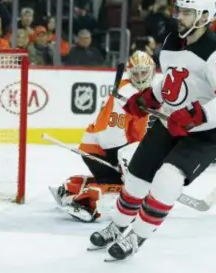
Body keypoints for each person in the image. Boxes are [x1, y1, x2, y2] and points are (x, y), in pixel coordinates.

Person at [88, 0, 216, 261]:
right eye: (180, 11)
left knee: (167, 179)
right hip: (169, 124)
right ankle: (118, 226)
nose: (180, 17)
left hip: (203, 135)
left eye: (187, 12)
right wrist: (148, 98)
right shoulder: (172, 42)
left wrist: (196, 116)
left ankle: (137, 236)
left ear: (203, 16)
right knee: (137, 178)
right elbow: (173, 81)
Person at [49, 51, 156, 223]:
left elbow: (136, 133)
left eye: (144, 72)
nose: (141, 77)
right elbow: (110, 135)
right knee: (126, 187)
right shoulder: (127, 93)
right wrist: (126, 163)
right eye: (136, 73)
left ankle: (70, 187)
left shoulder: (142, 95)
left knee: (122, 181)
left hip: (100, 147)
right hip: (101, 149)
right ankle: (82, 201)